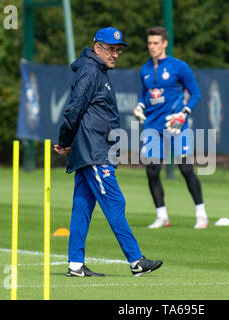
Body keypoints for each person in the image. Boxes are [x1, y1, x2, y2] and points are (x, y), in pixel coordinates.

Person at [54, 27, 162, 277]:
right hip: (94, 153)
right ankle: (136, 261)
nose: (115, 54)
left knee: (81, 207)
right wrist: (65, 140)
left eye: (118, 50)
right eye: (111, 49)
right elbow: (74, 109)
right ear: (97, 47)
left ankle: (75, 265)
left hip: (91, 151)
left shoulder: (97, 71)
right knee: (115, 202)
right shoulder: (91, 71)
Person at [132, 26, 209, 229]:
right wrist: (140, 104)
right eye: (149, 43)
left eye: (156, 43)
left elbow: (196, 94)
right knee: (152, 170)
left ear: (165, 43)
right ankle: (162, 216)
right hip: (153, 126)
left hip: (176, 126)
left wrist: (184, 114)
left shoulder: (179, 66)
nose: (152, 47)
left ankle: (201, 214)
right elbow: (145, 93)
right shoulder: (145, 69)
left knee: (185, 169)